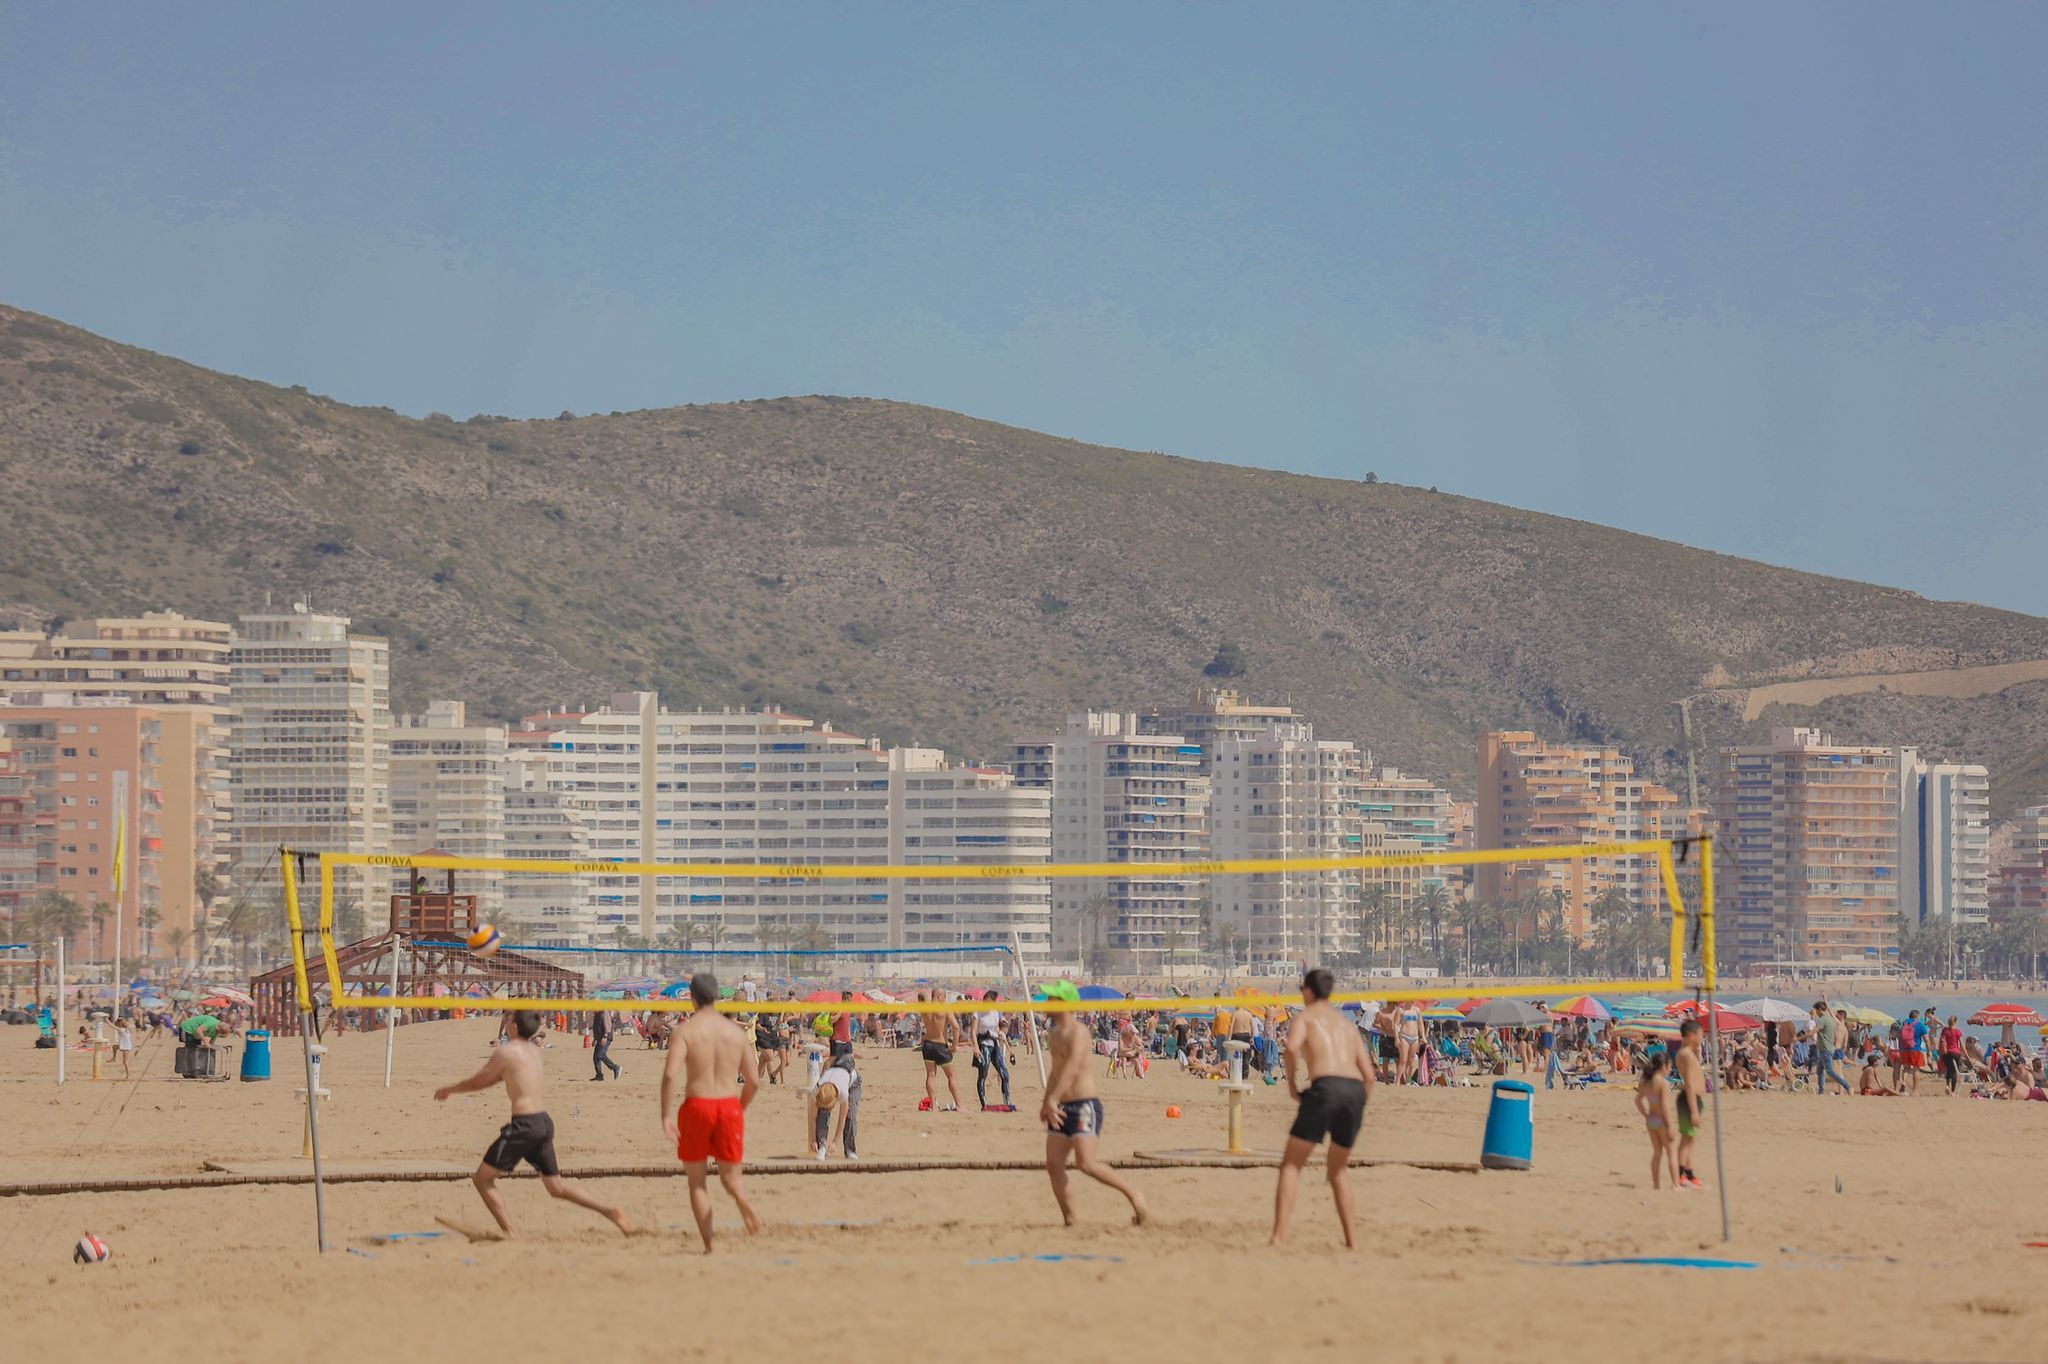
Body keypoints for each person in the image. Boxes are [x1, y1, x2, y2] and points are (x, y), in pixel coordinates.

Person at [432, 1010, 636, 1239]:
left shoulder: (507, 1052)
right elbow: (505, 1077)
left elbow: (479, 1081)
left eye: (508, 1020)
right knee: (556, 1188)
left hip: (525, 1126)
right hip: (543, 1122)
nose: (505, 1022)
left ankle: (510, 1231)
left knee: (482, 1179)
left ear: (515, 1027)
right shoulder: (533, 1051)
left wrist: (449, 1090)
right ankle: (610, 1211)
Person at [1271, 968, 1376, 1248]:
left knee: (1292, 1165)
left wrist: (1292, 1085)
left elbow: (1291, 1049)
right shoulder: (1346, 1024)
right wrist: (1357, 1102)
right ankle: (1352, 1242)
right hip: (1354, 1091)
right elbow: (1370, 1077)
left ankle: (1278, 1238)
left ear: (1307, 992)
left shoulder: (1305, 1017)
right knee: (1338, 1169)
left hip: (1326, 1087)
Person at [659, 973, 762, 1252]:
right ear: (717, 997)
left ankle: (711, 1245)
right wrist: (738, 1109)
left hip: (698, 1105)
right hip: (728, 1105)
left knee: (697, 1182)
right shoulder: (735, 1032)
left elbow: (670, 1075)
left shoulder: (685, 1031)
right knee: (731, 1179)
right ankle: (742, 1199)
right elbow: (754, 1081)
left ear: (692, 998)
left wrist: (666, 1115)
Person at [1038, 986, 1149, 1227]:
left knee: (1086, 1163)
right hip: (1061, 1106)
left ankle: (1134, 1195)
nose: (1046, 1001)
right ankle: (1071, 1221)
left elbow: (1072, 1068)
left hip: (1084, 1105)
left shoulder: (1079, 1032)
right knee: (1054, 1165)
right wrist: (1047, 1100)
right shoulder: (1055, 1034)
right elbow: (1056, 1072)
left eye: (1051, 997)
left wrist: (1052, 1098)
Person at [1634, 1051, 1678, 1189]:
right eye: (1669, 1066)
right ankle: (1675, 1185)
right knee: (1671, 1152)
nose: (1670, 1069)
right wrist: (1670, 1125)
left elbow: (1638, 1101)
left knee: (1657, 1153)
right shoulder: (1662, 1082)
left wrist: (1646, 1115)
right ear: (1663, 1066)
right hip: (1661, 1121)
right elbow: (1664, 1106)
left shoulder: (1646, 1081)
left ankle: (1656, 1184)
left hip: (1651, 1120)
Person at [1672, 1019, 1706, 1190]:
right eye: (1700, 1035)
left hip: (1694, 1099)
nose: (1702, 1038)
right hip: (1689, 1099)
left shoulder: (1688, 1052)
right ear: (1692, 1036)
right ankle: (1679, 1175)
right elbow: (1691, 1083)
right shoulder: (1685, 1054)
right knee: (1686, 1139)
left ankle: (1689, 1172)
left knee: (1690, 1138)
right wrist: (1693, 1111)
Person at [810, 1054, 861, 1160]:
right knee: (822, 1114)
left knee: (850, 1116)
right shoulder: (817, 1090)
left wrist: (835, 1143)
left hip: (853, 1083)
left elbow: (841, 1120)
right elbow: (813, 1118)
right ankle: (822, 1148)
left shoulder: (842, 1092)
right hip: (834, 1078)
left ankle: (850, 1149)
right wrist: (814, 1140)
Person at [919, 994, 962, 1112]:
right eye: (945, 996)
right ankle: (959, 1106)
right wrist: (954, 1045)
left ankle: (933, 1106)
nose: (946, 999)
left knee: (930, 1075)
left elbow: (921, 995)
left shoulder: (925, 1008)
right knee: (952, 1076)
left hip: (927, 1044)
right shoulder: (945, 1008)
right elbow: (956, 1027)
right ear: (939, 996)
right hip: (940, 1045)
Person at [973, 990, 1012, 1110]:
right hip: (983, 1045)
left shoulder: (995, 1012)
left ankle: (1007, 1102)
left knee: (1004, 1074)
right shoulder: (978, 1013)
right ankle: (984, 1104)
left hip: (994, 1044)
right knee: (983, 1074)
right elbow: (973, 1032)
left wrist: (1000, 1033)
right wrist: (975, 1047)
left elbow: (996, 1028)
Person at [1811, 1002, 1850, 1096]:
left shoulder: (1838, 1024)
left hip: (1834, 1049)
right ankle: (1839, 1091)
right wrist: (1844, 1054)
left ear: (1842, 1015)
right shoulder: (1845, 1028)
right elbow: (1845, 1044)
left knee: (1834, 1072)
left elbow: (1830, 1013)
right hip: (1839, 1050)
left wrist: (1825, 1000)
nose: (1835, 1015)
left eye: (1838, 1014)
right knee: (1835, 1071)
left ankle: (1844, 1089)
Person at [754, 1008, 788, 1085]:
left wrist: (786, 1027)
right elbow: (757, 1025)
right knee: (770, 1058)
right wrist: (763, 1029)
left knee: (763, 1061)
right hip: (763, 1038)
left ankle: (756, 1078)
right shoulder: (763, 1013)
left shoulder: (776, 1013)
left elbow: (778, 1025)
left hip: (772, 1039)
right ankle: (772, 1079)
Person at [590, 1007, 620, 1082]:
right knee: (596, 1057)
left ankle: (615, 1068)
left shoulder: (604, 1012)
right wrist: (595, 1039)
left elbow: (607, 1025)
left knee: (600, 1054)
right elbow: (597, 1027)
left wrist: (605, 1036)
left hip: (605, 1038)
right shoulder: (597, 1014)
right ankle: (599, 1075)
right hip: (600, 1038)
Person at [1899, 1010, 1923, 1096]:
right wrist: (1928, 1050)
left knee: (1906, 1068)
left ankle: (1904, 1083)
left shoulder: (1904, 1023)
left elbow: (1900, 1036)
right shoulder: (1919, 1024)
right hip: (1915, 1049)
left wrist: (1900, 1048)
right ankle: (1915, 1091)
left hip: (1905, 1049)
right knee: (1916, 1069)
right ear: (1917, 1016)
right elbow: (1926, 1039)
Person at [1939, 1015, 1964, 1095]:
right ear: (1956, 1022)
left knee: (1949, 1069)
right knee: (1954, 1072)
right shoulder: (1957, 1031)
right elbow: (1962, 1045)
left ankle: (1947, 1084)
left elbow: (1941, 1041)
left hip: (1946, 1053)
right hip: (1955, 1052)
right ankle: (1953, 1091)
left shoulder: (1944, 1030)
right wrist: (1966, 1055)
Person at [829, 991, 855, 1063]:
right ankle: (823, 1074)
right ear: (845, 999)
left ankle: (848, 1074)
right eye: (850, 1000)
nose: (851, 1002)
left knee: (850, 1060)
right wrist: (840, 1012)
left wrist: (849, 1038)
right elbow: (831, 1020)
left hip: (847, 1040)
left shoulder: (848, 1010)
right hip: (837, 1040)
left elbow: (846, 1025)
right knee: (832, 1060)